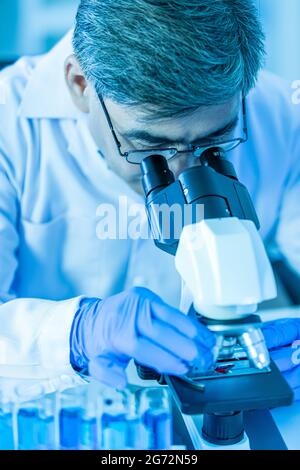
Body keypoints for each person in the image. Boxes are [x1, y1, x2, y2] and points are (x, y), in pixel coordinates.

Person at [0, 0, 299, 397]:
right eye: (150, 148)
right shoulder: (9, 126)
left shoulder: (282, 114)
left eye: (215, 142)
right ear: (79, 84)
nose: (181, 173)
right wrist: (75, 333)